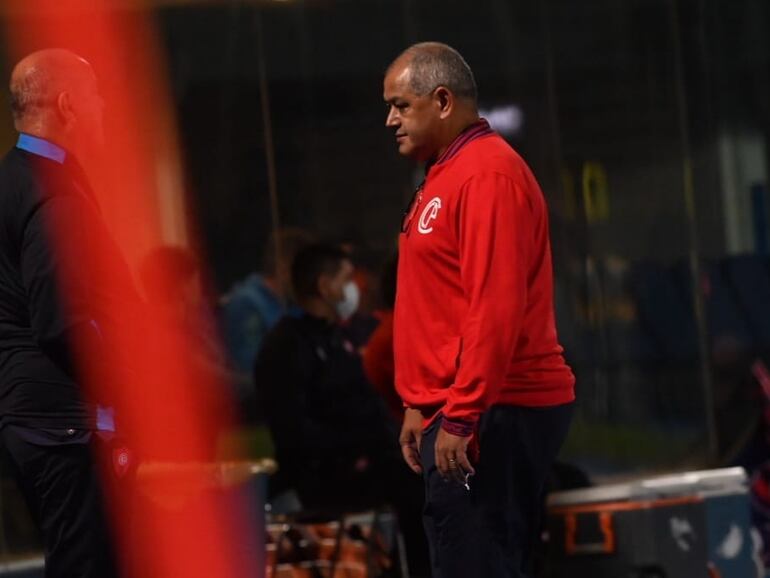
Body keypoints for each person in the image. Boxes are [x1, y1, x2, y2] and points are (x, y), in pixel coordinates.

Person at [384, 42, 576, 578]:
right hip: (460, 406)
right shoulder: (447, 174)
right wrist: (417, 402)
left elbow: (495, 309)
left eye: (401, 105)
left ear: (442, 100)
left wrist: (463, 413)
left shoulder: (486, 175)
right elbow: (441, 301)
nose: (389, 120)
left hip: (494, 407)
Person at [0, 49, 135, 577]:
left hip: (37, 415)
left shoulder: (14, 178)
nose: (103, 107)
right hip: (66, 422)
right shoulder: (51, 191)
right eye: (97, 95)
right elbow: (63, 321)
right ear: (67, 104)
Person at [254, 243, 429, 575]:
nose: (355, 289)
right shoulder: (287, 348)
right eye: (346, 279)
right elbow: (295, 435)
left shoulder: (336, 340)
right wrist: (361, 444)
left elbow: (367, 405)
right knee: (417, 492)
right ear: (324, 286)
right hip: (323, 478)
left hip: (366, 463)